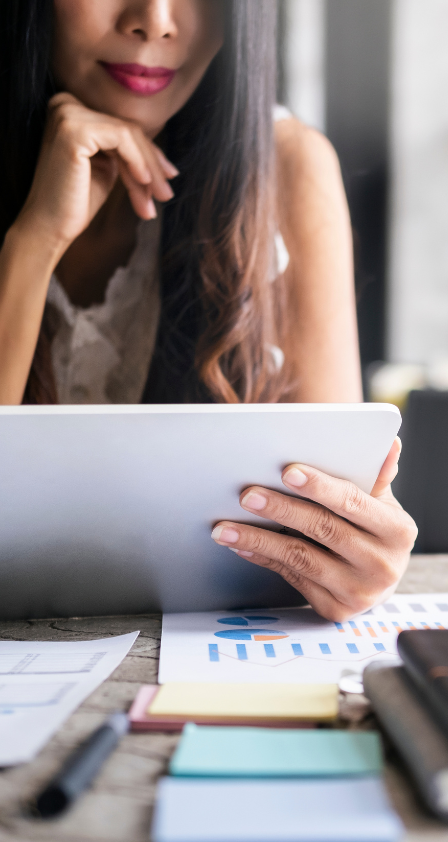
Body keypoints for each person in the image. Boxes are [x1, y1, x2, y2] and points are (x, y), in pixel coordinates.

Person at [0, 0, 417, 620]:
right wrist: (32, 245)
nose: (157, 20)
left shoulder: (289, 170)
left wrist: (356, 559)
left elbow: (339, 514)